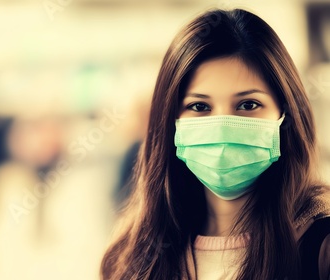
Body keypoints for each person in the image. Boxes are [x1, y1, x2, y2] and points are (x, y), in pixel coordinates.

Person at [101, 9, 330, 280]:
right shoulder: (132, 256)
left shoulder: (320, 248)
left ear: (285, 114)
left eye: (248, 105)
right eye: (199, 106)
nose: (223, 124)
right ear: (170, 120)